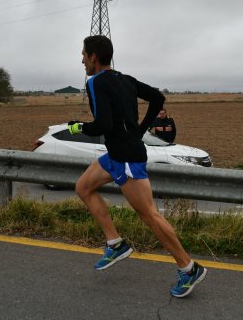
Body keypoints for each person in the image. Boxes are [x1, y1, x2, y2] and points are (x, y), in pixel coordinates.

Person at [67, 35, 206, 298]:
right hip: (116, 155)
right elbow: (158, 98)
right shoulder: (126, 79)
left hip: (128, 158)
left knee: (150, 215)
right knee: (83, 187)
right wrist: (140, 129)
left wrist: (78, 127)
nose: (82, 59)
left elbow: (103, 125)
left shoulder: (95, 82)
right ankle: (115, 243)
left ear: (94, 57)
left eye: (84, 54)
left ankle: (188, 268)